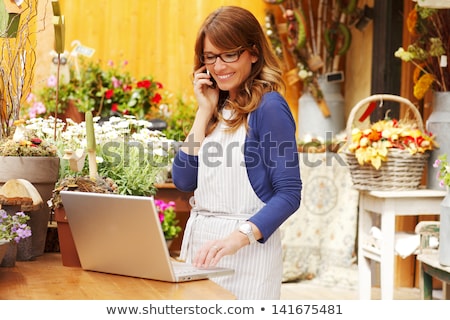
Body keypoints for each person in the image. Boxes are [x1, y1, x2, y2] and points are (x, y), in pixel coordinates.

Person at [172, 6, 302, 300]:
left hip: (248, 251)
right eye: (210, 57)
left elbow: (290, 194)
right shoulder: (215, 110)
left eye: (229, 54)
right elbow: (182, 179)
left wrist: (237, 238)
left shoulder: (269, 108)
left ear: (253, 53)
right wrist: (203, 112)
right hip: (203, 248)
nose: (219, 66)